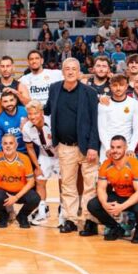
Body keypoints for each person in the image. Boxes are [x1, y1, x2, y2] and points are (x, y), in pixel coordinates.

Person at [45, 58, 100, 235]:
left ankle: (90, 220)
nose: (70, 72)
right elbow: (47, 110)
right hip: (65, 146)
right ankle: (70, 220)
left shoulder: (89, 92)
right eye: (67, 69)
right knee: (68, 185)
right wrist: (29, 110)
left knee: (90, 185)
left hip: (87, 147)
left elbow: (96, 122)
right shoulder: (54, 88)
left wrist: (93, 146)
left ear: (79, 72)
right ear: (62, 71)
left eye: (73, 69)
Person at [87, 135, 138, 242]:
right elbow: (101, 189)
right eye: (112, 147)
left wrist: (121, 207)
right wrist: (104, 204)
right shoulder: (106, 165)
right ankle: (115, 227)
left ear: (125, 148)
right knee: (93, 205)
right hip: (119, 196)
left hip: (134, 198)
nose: (115, 150)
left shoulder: (136, 165)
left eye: (119, 147)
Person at [0, 133, 40, 229]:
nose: (8, 146)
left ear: (16, 145)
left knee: (35, 198)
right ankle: (3, 216)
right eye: (5, 143)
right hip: (3, 192)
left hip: (20, 192)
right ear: (1, 145)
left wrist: (16, 197)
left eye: (11, 143)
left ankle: (22, 216)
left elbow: (31, 182)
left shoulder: (24, 159)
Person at [97, 74, 138, 161]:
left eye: (121, 85)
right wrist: (108, 148)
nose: (118, 88)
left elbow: (137, 130)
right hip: (107, 150)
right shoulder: (103, 104)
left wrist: (131, 148)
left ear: (126, 86)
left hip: (127, 149)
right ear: (110, 87)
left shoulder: (135, 104)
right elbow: (102, 129)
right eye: (115, 85)